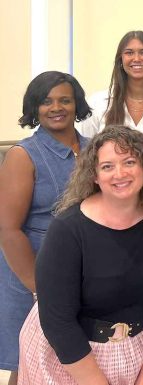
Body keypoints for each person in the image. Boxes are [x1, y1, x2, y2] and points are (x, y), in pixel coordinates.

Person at [17, 126, 143, 385]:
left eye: (130, 162)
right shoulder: (68, 229)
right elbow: (58, 322)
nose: (120, 174)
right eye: (107, 166)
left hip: (138, 349)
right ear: (94, 175)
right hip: (69, 357)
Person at [0, 71, 91, 385]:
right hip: (33, 274)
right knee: (29, 365)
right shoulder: (23, 155)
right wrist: (40, 288)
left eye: (65, 100)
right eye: (46, 101)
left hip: (85, 273)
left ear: (76, 104)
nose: (56, 107)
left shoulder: (97, 149)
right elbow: (8, 230)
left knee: (76, 363)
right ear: (34, 108)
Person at [78, 30, 143, 146]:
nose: (137, 58)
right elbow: (84, 149)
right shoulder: (98, 103)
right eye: (129, 53)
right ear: (120, 60)